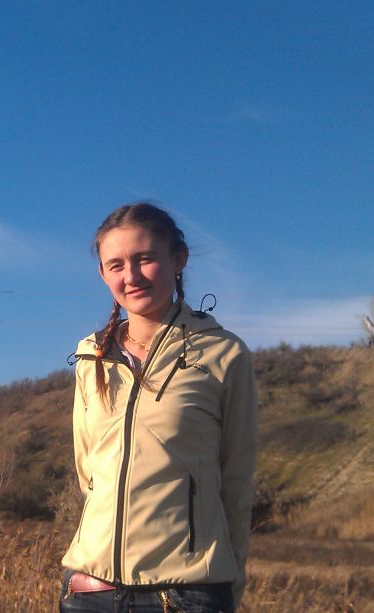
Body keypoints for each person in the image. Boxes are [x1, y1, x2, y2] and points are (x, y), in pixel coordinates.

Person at [59, 202, 257, 613]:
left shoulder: (224, 354)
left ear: (178, 259)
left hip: (187, 591)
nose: (130, 276)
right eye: (116, 265)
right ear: (103, 274)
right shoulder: (91, 357)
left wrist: (229, 583)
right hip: (90, 590)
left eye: (145, 258)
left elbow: (236, 483)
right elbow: (88, 473)